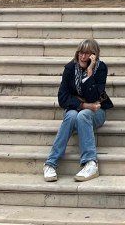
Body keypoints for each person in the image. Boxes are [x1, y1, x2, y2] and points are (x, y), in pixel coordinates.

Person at [43, 38, 114, 183]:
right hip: (77, 110)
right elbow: (63, 98)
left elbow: (94, 96)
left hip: (97, 112)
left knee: (83, 116)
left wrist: (89, 73)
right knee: (71, 115)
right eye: (80, 53)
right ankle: (50, 163)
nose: (82, 56)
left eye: (87, 54)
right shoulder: (70, 69)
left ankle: (91, 163)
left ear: (94, 56)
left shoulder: (100, 68)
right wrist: (85, 106)